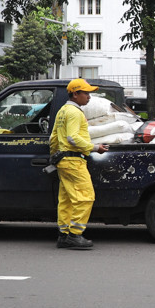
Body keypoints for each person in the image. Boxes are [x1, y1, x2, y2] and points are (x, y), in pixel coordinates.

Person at [50, 78, 109, 250]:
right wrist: (95, 147)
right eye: (86, 93)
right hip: (74, 161)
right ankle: (75, 235)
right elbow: (72, 138)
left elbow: (54, 137)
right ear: (75, 94)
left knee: (67, 199)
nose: (89, 97)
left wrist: (54, 156)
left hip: (63, 160)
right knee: (86, 197)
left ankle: (63, 235)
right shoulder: (75, 113)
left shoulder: (62, 111)